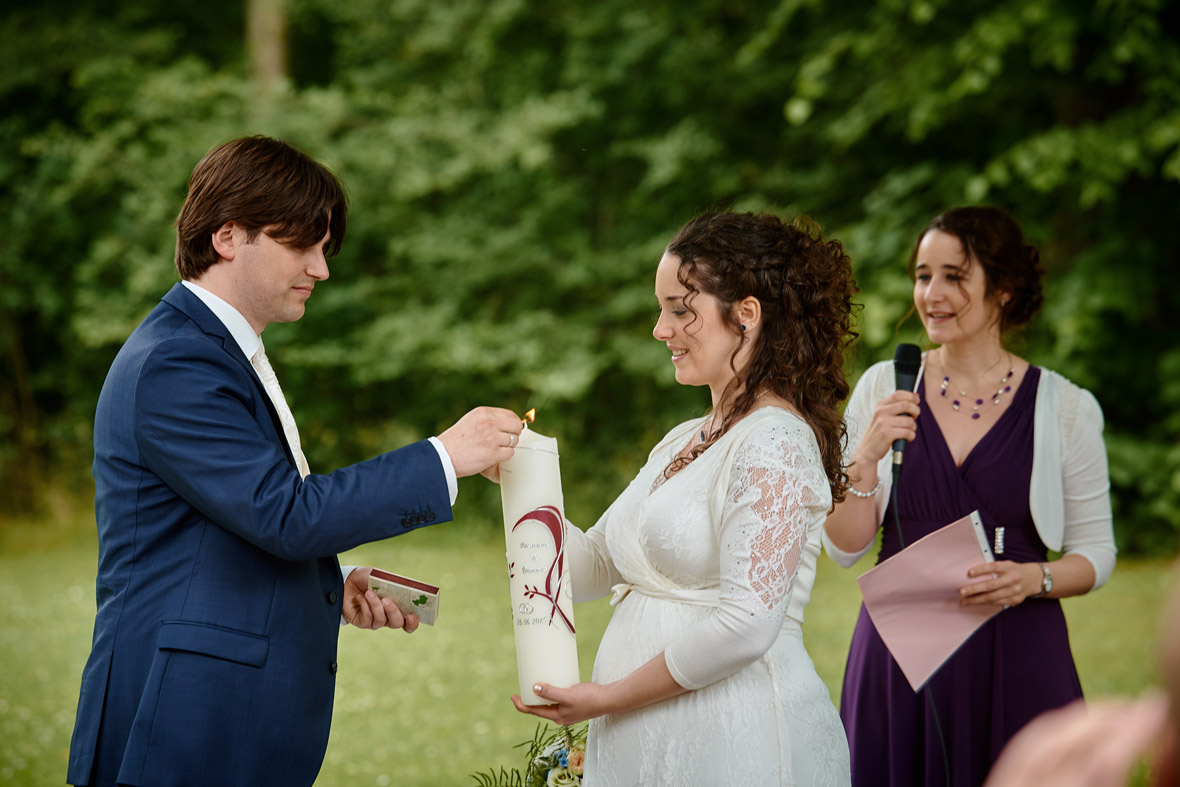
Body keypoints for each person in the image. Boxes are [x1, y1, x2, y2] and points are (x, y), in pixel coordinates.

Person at [66, 136, 524, 787]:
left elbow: (224, 526)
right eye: (300, 245)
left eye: (324, 248)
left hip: (214, 715)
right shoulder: (177, 361)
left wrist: (329, 581)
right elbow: (286, 513)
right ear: (228, 236)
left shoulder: (213, 349)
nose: (320, 268)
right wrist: (445, 455)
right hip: (177, 720)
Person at [512, 210, 856, 786]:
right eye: (662, 310)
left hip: (734, 738)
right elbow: (594, 567)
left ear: (745, 316)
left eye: (680, 309)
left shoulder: (775, 441)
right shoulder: (685, 438)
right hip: (643, 743)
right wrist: (524, 481)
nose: (660, 329)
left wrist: (609, 697)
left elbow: (748, 623)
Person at [822, 206, 1118, 786]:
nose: (932, 293)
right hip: (898, 660)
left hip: (1017, 655)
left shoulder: (1066, 408)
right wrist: (866, 455)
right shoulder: (884, 386)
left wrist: (1036, 580)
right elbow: (846, 546)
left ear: (1003, 289)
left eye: (954, 276)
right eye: (922, 275)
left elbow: (1097, 552)